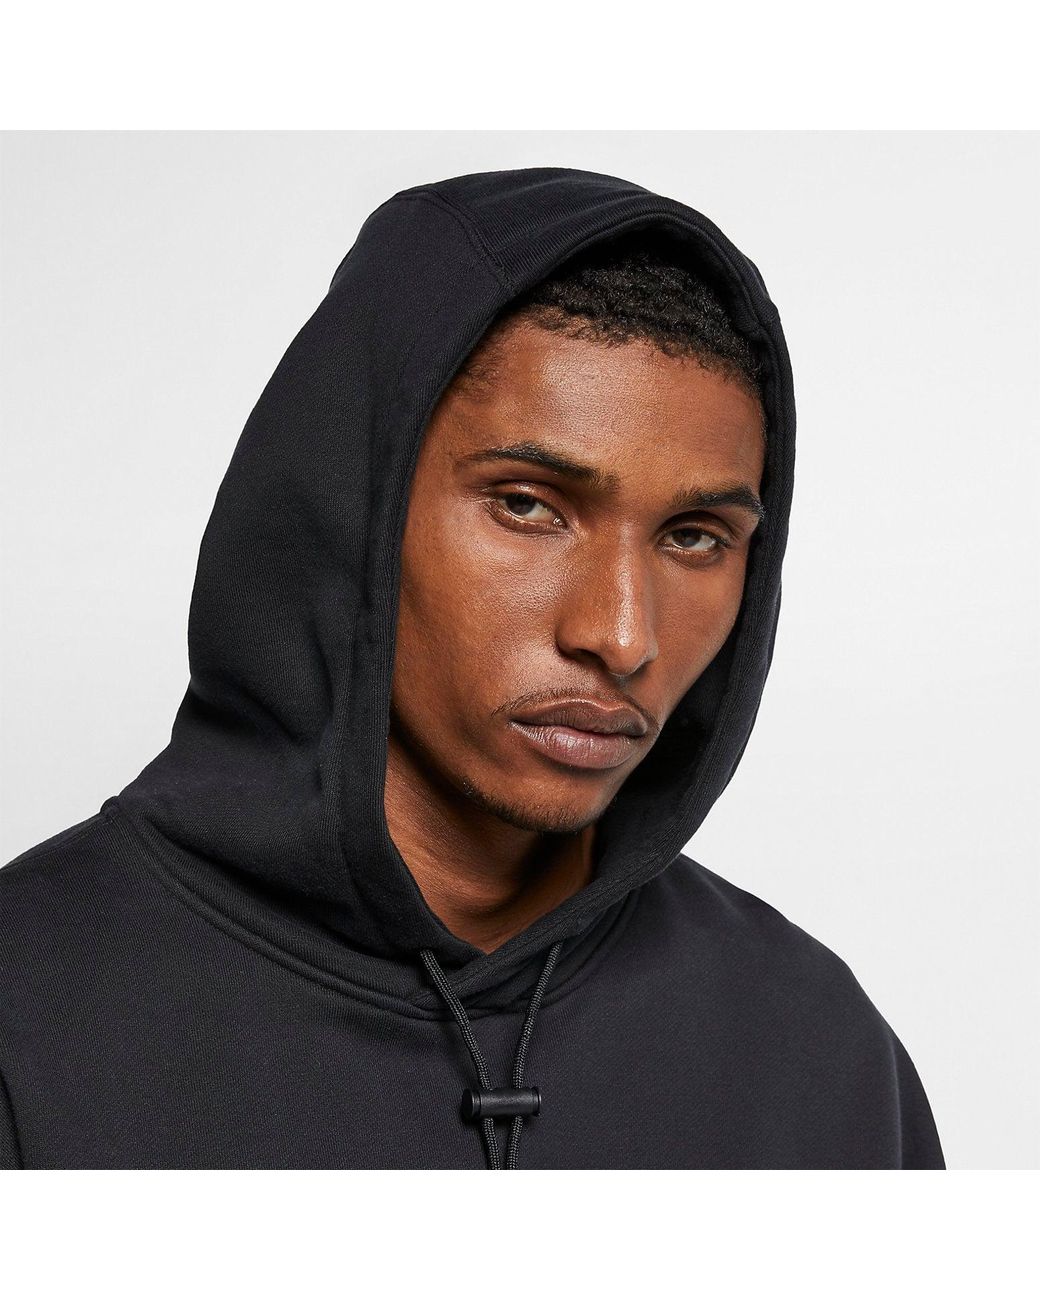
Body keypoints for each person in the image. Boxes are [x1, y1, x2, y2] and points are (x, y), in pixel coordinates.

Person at [0, 165, 945, 1169]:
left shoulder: (818, 1049)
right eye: (527, 506)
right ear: (351, 506)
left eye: (693, 537)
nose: (622, 635)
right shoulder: (31, 1014)